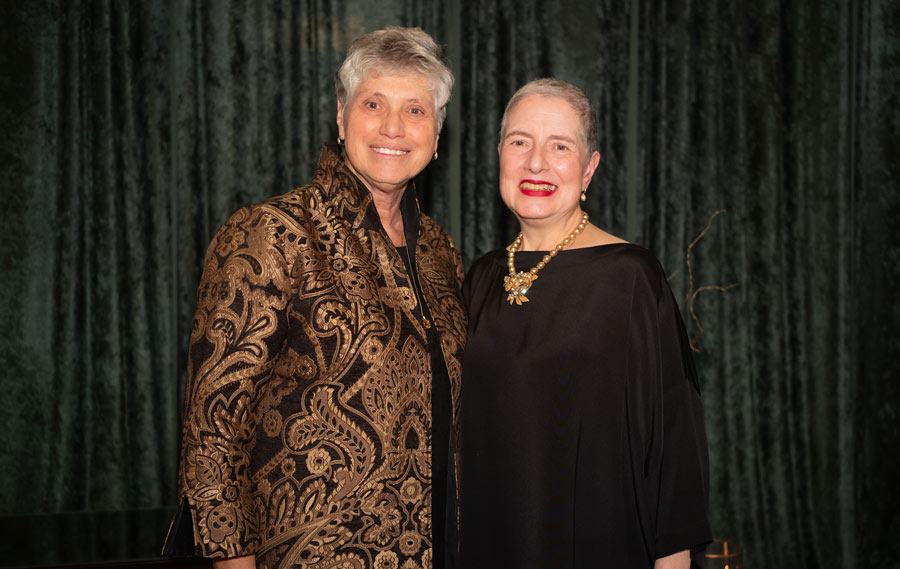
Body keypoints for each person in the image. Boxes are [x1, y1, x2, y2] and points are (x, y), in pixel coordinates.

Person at [163, 27, 466, 569]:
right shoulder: (274, 233)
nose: (394, 127)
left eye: (416, 110)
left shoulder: (442, 253)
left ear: (437, 134)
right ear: (341, 116)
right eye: (373, 103)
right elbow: (213, 430)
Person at [458, 79, 712, 568]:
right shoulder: (482, 278)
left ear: (589, 168)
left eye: (560, 146)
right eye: (520, 142)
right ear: (499, 155)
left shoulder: (629, 277)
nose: (536, 163)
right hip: (489, 545)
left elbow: (672, 448)